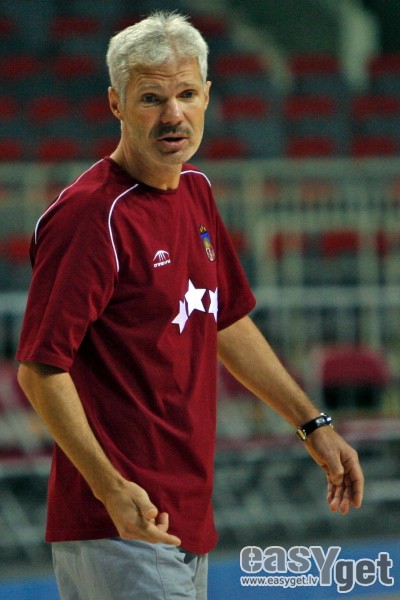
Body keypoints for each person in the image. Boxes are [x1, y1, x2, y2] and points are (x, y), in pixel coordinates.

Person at [16, 11, 364, 600]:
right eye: (151, 98)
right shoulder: (90, 216)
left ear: (206, 96)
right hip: (122, 522)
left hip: (186, 512)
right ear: (116, 104)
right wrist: (109, 488)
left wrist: (312, 425)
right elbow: (40, 369)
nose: (173, 115)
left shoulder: (196, 189)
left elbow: (223, 320)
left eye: (185, 95)